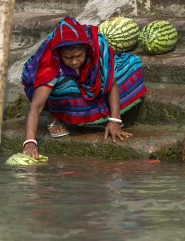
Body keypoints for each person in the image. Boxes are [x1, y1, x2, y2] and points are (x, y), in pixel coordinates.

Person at [21, 16, 146, 159]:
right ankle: (55, 116)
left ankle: (103, 114)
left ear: (87, 49)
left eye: (79, 56)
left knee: (132, 65)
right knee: (64, 86)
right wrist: (30, 141)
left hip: (90, 78)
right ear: (59, 54)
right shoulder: (50, 62)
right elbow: (36, 106)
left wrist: (115, 120)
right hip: (57, 85)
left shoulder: (97, 47)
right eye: (67, 58)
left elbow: (110, 82)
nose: (74, 62)